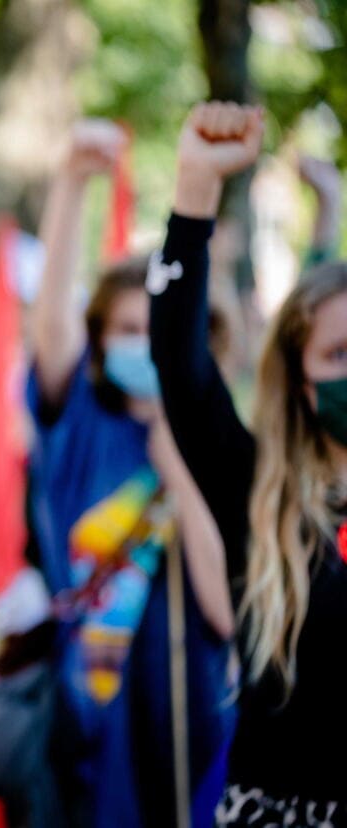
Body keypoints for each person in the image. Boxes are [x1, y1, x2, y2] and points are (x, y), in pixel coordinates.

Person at [27, 118, 236, 827]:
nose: (142, 345)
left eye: (159, 329)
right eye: (124, 328)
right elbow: (50, 323)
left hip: (173, 716)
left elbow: (226, 609)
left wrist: (181, 469)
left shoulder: (222, 444)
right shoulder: (81, 419)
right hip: (73, 710)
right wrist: (72, 182)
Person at [151, 101, 347, 825]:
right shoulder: (257, 491)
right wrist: (195, 189)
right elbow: (179, 361)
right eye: (338, 356)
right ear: (299, 376)